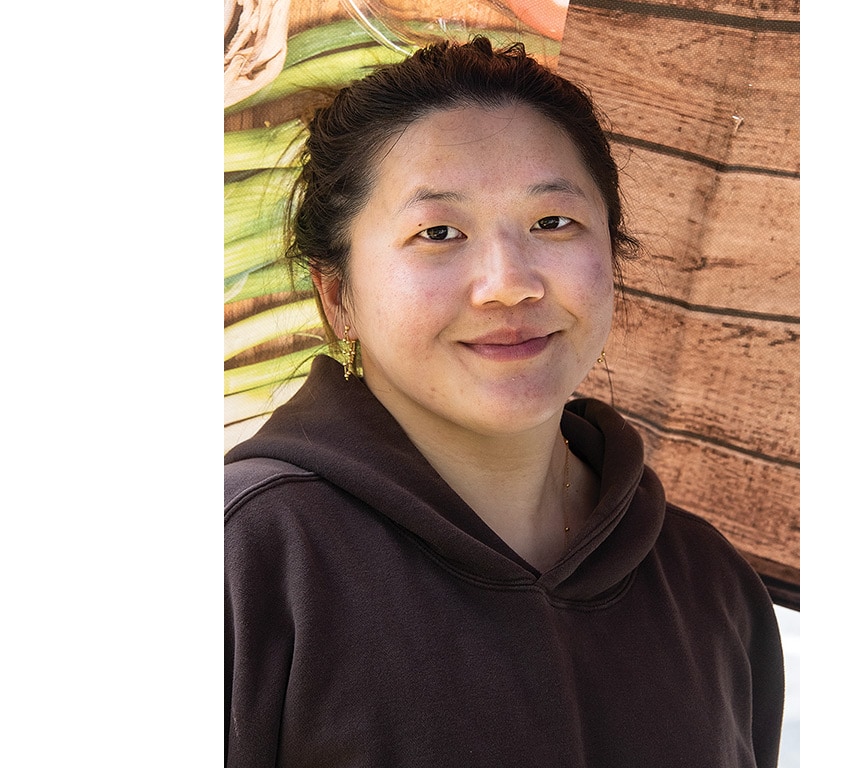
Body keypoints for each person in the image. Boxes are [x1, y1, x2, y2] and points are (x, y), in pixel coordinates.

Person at [225, 36, 784, 767]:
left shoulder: (712, 590)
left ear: (612, 259)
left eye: (554, 222)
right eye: (438, 233)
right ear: (339, 296)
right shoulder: (246, 559)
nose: (509, 282)